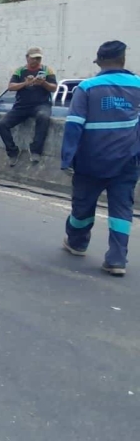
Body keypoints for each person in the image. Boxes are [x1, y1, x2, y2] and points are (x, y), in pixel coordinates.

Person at [61, 40, 140, 277]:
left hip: (90, 161)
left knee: (83, 207)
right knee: (122, 210)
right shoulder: (138, 85)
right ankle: (117, 259)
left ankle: (77, 243)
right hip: (127, 161)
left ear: (100, 62)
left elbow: (74, 126)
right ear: (123, 60)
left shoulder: (87, 87)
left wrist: (67, 159)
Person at [0, 47, 58, 167]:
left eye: (38, 58)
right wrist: (25, 83)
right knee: (2, 125)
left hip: (41, 104)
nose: (36, 61)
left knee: (43, 117)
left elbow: (54, 87)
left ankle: (35, 150)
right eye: (33, 58)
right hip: (22, 106)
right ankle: (13, 151)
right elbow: (11, 87)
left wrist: (43, 83)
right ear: (27, 58)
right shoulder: (20, 71)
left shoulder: (47, 70)